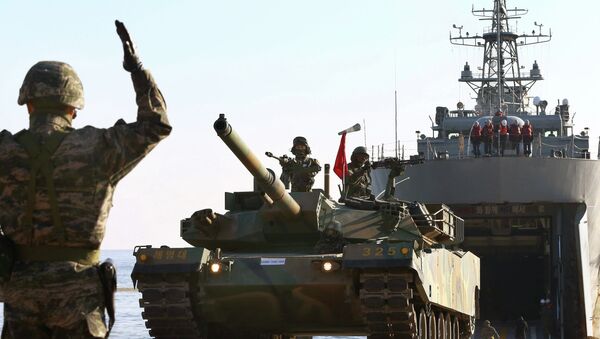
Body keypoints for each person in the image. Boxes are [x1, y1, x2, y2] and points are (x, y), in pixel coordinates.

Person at [0, 21, 171, 338]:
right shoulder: (98, 148)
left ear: (28, 103)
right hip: (78, 296)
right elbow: (155, 126)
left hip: (19, 294)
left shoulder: (5, 152)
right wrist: (137, 70)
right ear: (73, 107)